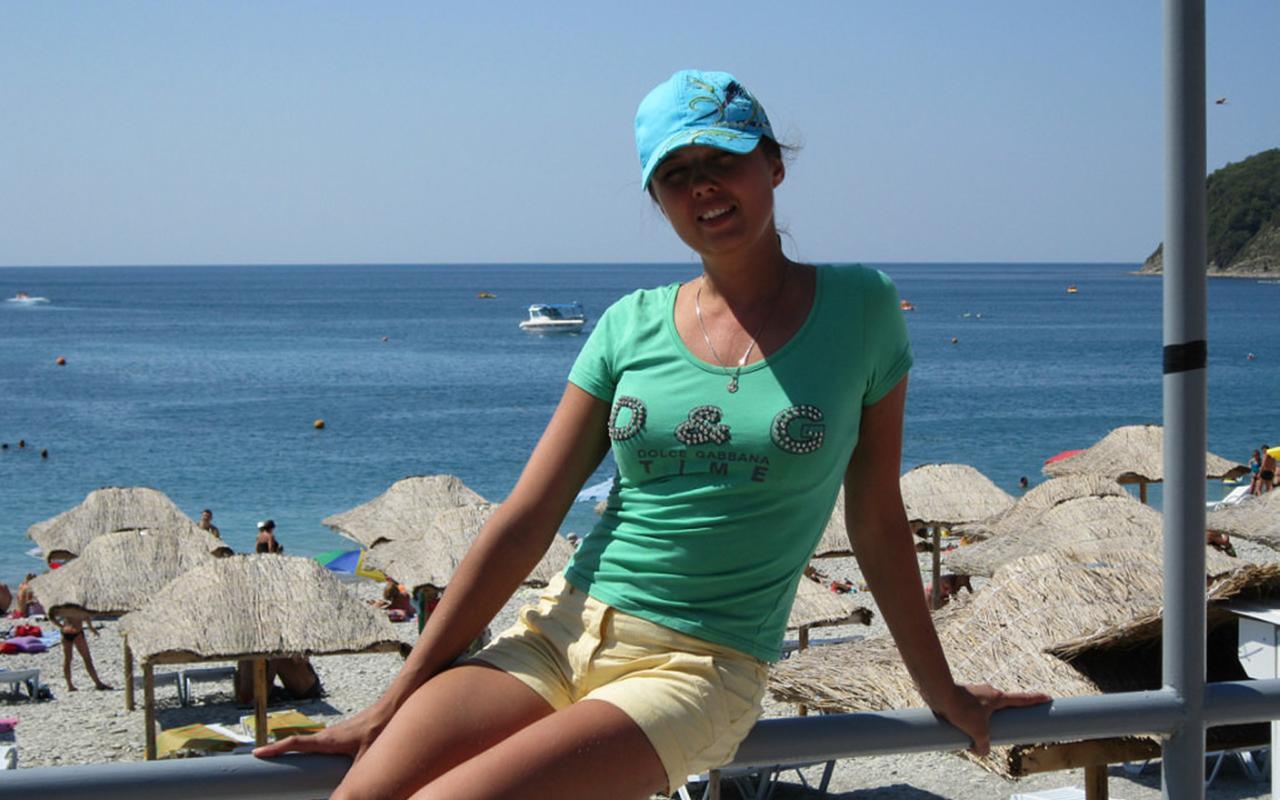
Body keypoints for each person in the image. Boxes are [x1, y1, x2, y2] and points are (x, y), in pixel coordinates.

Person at [256, 68, 1048, 799]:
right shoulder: (627, 325)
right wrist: (392, 700)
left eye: (723, 159)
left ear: (773, 165)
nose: (702, 185)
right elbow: (527, 517)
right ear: (658, 199)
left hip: (701, 666)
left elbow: (875, 520)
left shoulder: (862, 309)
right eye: (675, 174)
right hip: (561, 631)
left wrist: (939, 689)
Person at [50, 610, 112, 692]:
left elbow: (52, 616)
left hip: (69, 632)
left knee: (70, 659)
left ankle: (71, 685)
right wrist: (91, 627)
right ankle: (96, 683)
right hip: (75, 632)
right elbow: (86, 617)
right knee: (84, 658)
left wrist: (61, 626)